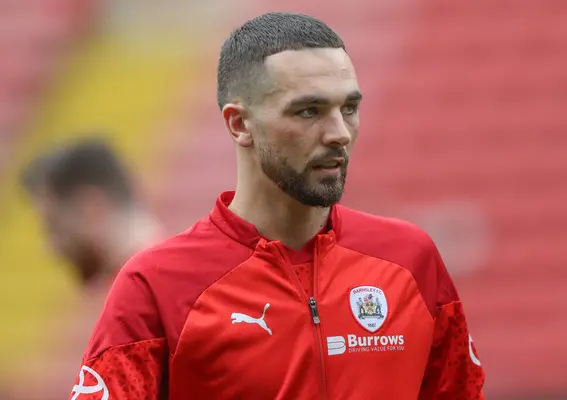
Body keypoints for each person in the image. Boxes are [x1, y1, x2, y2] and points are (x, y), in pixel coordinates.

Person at [71, 12, 485, 399]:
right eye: (309, 111)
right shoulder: (156, 285)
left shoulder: (411, 260)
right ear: (239, 124)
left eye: (350, 108)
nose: (340, 132)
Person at [5, 137, 163, 399]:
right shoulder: (162, 289)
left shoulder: (144, 306)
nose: (51, 249)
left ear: (90, 209)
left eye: (53, 227)